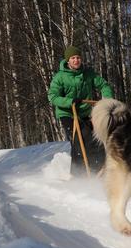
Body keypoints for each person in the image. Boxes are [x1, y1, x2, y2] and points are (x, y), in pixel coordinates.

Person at [48, 45, 114, 176]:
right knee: (79, 140)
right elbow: (53, 96)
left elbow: (103, 85)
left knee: (96, 138)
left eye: (78, 57)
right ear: (68, 60)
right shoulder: (60, 77)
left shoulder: (88, 74)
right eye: (73, 58)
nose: (76, 60)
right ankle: (78, 175)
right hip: (67, 113)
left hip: (84, 112)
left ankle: (98, 169)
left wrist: (106, 99)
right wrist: (69, 101)